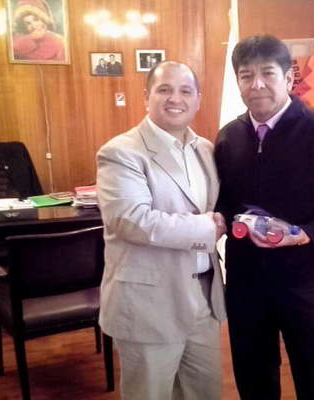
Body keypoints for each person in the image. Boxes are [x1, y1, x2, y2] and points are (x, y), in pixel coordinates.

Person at [215, 35, 314, 399]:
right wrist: (225, 220)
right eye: (246, 75)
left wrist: (306, 232)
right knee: (253, 379)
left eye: (267, 73)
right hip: (245, 282)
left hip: (306, 282)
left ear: (288, 77)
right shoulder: (229, 136)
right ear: (238, 82)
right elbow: (223, 202)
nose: (257, 84)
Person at [97, 61, 227, 399]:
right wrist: (207, 227)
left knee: (205, 393)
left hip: (204, 298)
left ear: (198, 99)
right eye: (164, 90)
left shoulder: (205, 149)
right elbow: (131, 219)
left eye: (186, 91)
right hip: (149, 304)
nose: (175, 99)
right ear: (146, 97)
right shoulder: (121, 152)